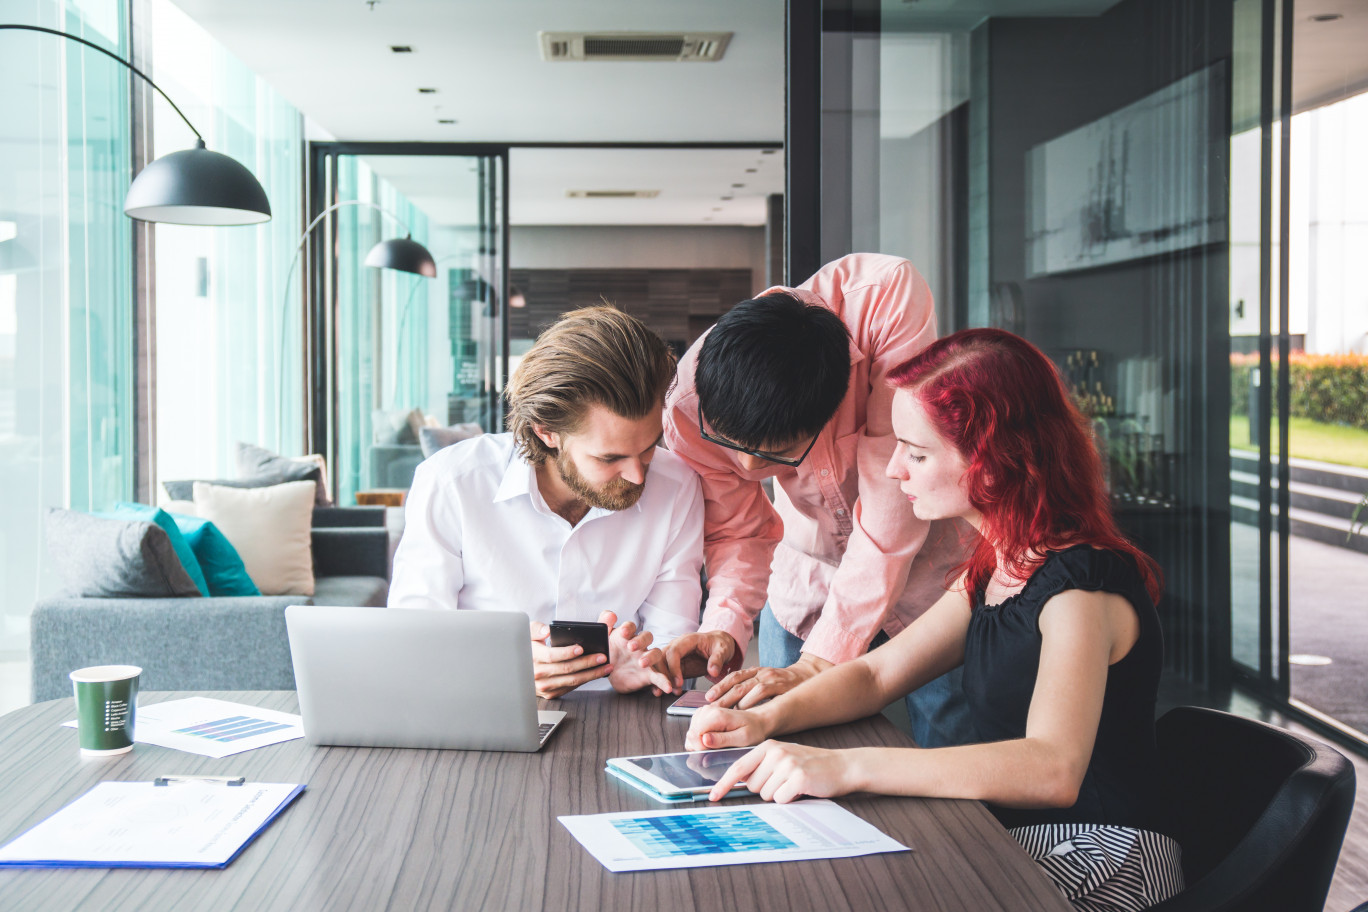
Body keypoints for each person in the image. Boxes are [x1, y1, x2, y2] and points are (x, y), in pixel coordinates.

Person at [685, 328, 1183, 912]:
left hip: (1106, 855)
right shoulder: (997, 568)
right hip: (1019, 835)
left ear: (995, 464)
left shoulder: (1081, 587)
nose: (894, 471)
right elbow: (875, 677)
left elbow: (1053, 768)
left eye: (916, 453)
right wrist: (765, 721)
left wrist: (844, 766)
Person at [659, 253, 974, 748]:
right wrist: (724, 624)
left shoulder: (884, 299)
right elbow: (738, 530)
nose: (746, 470)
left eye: (775, 457)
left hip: (934, 584)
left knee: (953, 752)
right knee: (783, 753)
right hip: (809, 584)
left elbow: (894, 500)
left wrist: (821, 662)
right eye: (732, 449)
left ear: (828, 407)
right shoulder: (686, 406)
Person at [389, 306, 703, 698]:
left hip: (622, 716)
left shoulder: (678, 486)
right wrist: (506, 668)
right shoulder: (451, 483)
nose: (639, 476)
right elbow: (412, 638)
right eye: (610, 458)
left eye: (648, 448)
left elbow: (675, 635)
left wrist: (646, 661)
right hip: (483, 708)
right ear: (547, 433)